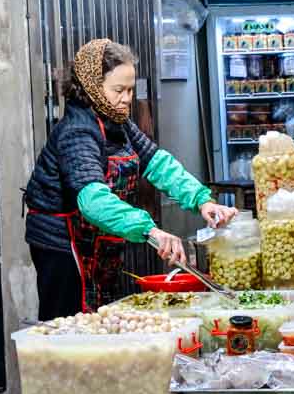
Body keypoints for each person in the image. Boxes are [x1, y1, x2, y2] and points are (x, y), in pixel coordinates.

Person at [24, 38, 237, 319]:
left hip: (98, 241)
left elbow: (158, 163)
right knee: (69, 324)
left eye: (130, 90)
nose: (127, 98)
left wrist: (201, 200)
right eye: (118, 90)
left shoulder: (117, 121)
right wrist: (151, 230)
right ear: (91, 86)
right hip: (64, 246)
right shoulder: (77, 132)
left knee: (97, 319)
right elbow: (93, 201)